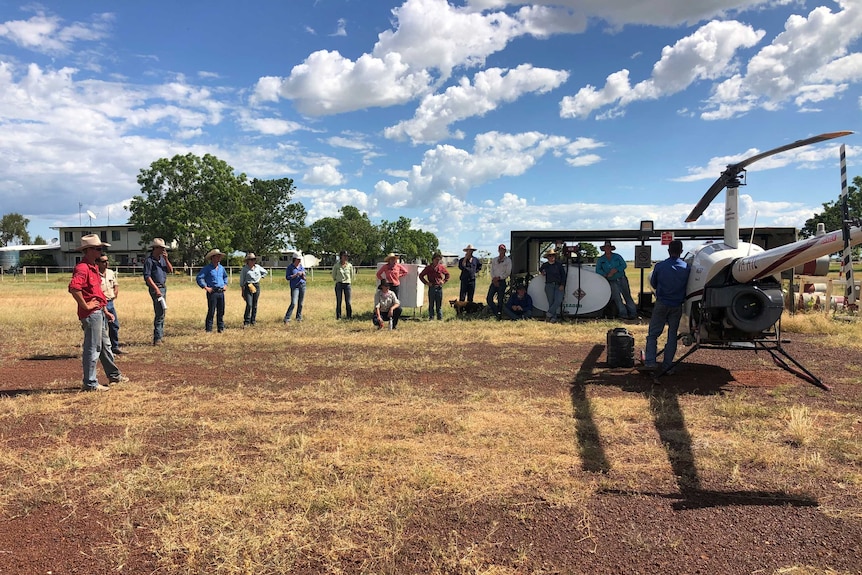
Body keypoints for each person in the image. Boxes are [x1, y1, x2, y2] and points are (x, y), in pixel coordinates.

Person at [68, 234, 127, 391]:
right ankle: (90, 383)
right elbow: (74, 288)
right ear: (88, 250)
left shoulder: (93, 267)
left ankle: (114, 375)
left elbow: (97, 294)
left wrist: (104, 310)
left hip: (98, 312)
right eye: (98, 248)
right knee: (93, 348)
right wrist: (86, 306)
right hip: (91, 314)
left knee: (105, 345)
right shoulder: (82, 268)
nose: (101, 251)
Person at [644, 239, 691, 374]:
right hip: (677, 305)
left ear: (668, 251)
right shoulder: (686, 268)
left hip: (662, 303)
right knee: (672, 336)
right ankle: (668, 365)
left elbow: (653, 282)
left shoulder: (660, 266)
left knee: (653, 334)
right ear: (681, 251)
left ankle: (650, 362)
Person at [596, 240, 637, 320]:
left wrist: (616, 270)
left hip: (622, 278)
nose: (607, 249)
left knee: (627, 296)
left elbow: (624, 265)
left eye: (609, 248)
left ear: (611, 248)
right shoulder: (601, 259)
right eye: (606, 248)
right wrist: (605, 274)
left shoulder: (617, 256)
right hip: (611, 280)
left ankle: (633, 313)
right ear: (604, 249)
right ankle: (623, 314)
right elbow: (598, 270)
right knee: (617, 298)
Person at [143, 238, 173, 346]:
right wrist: (156, 289)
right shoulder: (149, 261)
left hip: (163, 287)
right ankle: (157, 338)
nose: (163, 250)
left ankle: (160, 335)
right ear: (156, 248)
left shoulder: (162, 259)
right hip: (156, 288)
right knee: (159, 312)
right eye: (162, 248)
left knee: (162, 312)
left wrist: (166, 259)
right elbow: (147, 277)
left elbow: (170, 270)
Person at [196, 248, 229, 333]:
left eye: (219, 257)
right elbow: (199, 277)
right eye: (217, 256)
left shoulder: (221, 268)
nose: (219, 258)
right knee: (211, 310)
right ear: (212, 258)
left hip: (221, 291)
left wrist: (225, 284)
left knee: (221, 311)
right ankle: (209, 329)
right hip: (212, 292)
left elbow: (225, 276)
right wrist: (205, 287)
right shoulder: (207, 268)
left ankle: (220, 328)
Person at [97, 255, 122, 355]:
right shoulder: (95, 274)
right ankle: (103, 350)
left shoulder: (110, 272)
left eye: (107, 261)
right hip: (101, 303)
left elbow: (116, 284)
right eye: (103, 261)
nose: (106, 263)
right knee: (102, 328)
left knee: (114, 325)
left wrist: (116, 292)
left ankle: (114, 347)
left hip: (110, 302)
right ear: (97, 263)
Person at [419, 252, 450, 320]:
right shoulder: (428, 268)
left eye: (439, 260)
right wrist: (426, 283)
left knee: (439, 304)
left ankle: (440, 317)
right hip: (432, 287)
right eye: (436, 259)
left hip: (439, 287)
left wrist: (443, 281)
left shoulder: (441, 267)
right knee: (431, 304)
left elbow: (447, 274)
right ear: (433, 259)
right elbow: (421, 276)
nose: (437, 261)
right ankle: (431, 317)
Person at [240, 253, 268, 327]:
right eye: (251, 260)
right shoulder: (244, 269)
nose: (253, 261)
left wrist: (261, 276)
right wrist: (242, 291)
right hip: (248, 286)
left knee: (254, 304)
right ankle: (246, 321)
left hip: (256, 285)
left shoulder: (258, 267)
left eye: (254, 259)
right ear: (248, 261)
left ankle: (253, 320)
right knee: (249, 304)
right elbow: (242, 281)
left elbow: (265, 272)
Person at [539, 249, 566, 323]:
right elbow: (541, 269)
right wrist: (542, 272)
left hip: (558, 285)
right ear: (547, 257)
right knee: (551, 302)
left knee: (558, 300)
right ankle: (553, 318)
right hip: (549, 285)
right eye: (550, 256)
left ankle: (549, 314)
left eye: (553, 255)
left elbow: (563, 275)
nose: (552, 257)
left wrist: (562, 284)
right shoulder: (545, 265)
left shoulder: (559, 265)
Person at [486, 243, 512, 318]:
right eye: (500, 249)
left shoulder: (508, 261)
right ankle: (496, 311)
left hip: (502, 281)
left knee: (500, 299)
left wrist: (499, 278)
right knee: (489, 298)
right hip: (494, 281)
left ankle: (499, 314)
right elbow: (492, 270)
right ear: (498, 250)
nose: (501, 251)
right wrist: (494, 279)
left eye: (503, 250)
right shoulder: (494, 260)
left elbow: (508, 272)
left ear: (505, 251)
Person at [331, 250, 355, 319]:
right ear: (341, 256)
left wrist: (348, 280)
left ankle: (349, 316)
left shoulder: (350, 266)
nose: (346, 257)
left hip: (347, 285)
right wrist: (338, 280)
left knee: (348, 301)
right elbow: (333, 275)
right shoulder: (336, 266)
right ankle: (338, 316)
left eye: (347, 256)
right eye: (344, 255)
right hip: (339, 284)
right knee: (339, 301)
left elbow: (351, 275)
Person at [284, 252, 306, 323]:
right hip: (295, 286)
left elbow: (305, 278)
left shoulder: (301, 267)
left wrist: (303, 275)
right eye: (298, 260)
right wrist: (295, 275)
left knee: (301, 303)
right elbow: (287, 277)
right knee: (293, 302)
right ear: (294, 259)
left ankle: (298, 317)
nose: (299, 261)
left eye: (300, 260)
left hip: (302, 285)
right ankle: (287, 318)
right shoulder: (290, 267)